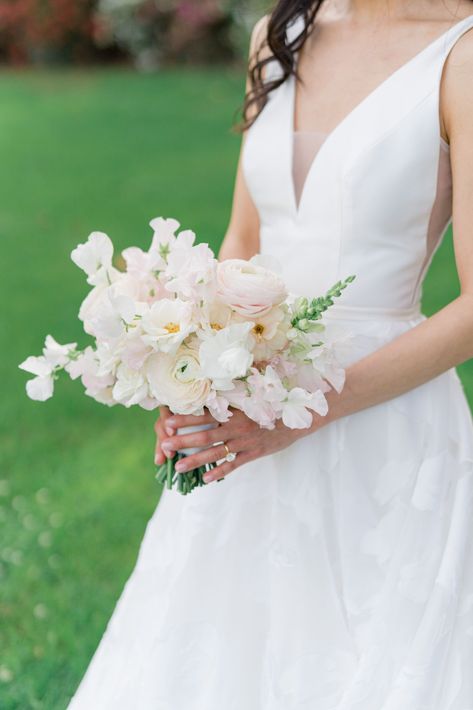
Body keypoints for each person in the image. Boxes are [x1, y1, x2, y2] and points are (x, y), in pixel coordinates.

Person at [68, 1, 473, 707]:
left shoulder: (459, 55)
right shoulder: (278, 34)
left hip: (382, 426)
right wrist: (189, 375)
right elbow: (242, 239)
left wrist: (304, 415)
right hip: (246, 403)